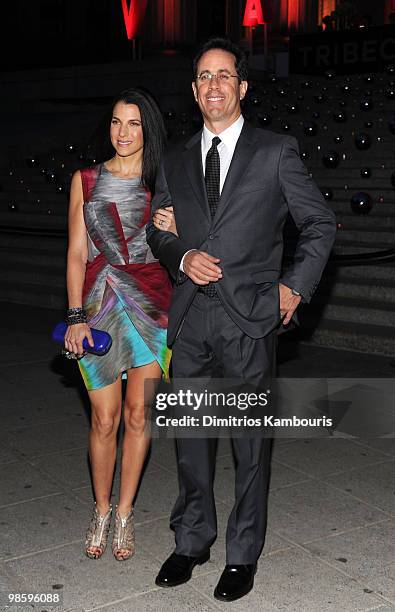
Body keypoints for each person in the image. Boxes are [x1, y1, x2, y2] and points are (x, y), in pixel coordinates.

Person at [146, 37, 336, 602]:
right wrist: (178, 252)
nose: (213, 86)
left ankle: (242, 552)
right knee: (191, 440)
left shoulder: (275, 150)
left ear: (242, 86)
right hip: (190, 320)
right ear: (195, 90)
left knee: (249, 446)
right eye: (204, 77)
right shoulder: (176, 158)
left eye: (224, 75)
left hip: (250, 319)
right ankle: (192, 539)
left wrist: (291, 289)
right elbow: (158, 228)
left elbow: (320, 224)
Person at [65, 87, 172, 561]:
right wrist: (74, 315)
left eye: (133, 123)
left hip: (152, 304)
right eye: (115, 122)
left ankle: (126, 513)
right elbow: (75, 252)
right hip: (99, 301)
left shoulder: (165, 180)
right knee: (104, 418)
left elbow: (187, 240)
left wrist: (174, 229)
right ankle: (101, 509)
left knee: (137, 415)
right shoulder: (85, 180)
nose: (123, 132)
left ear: (147, 127)